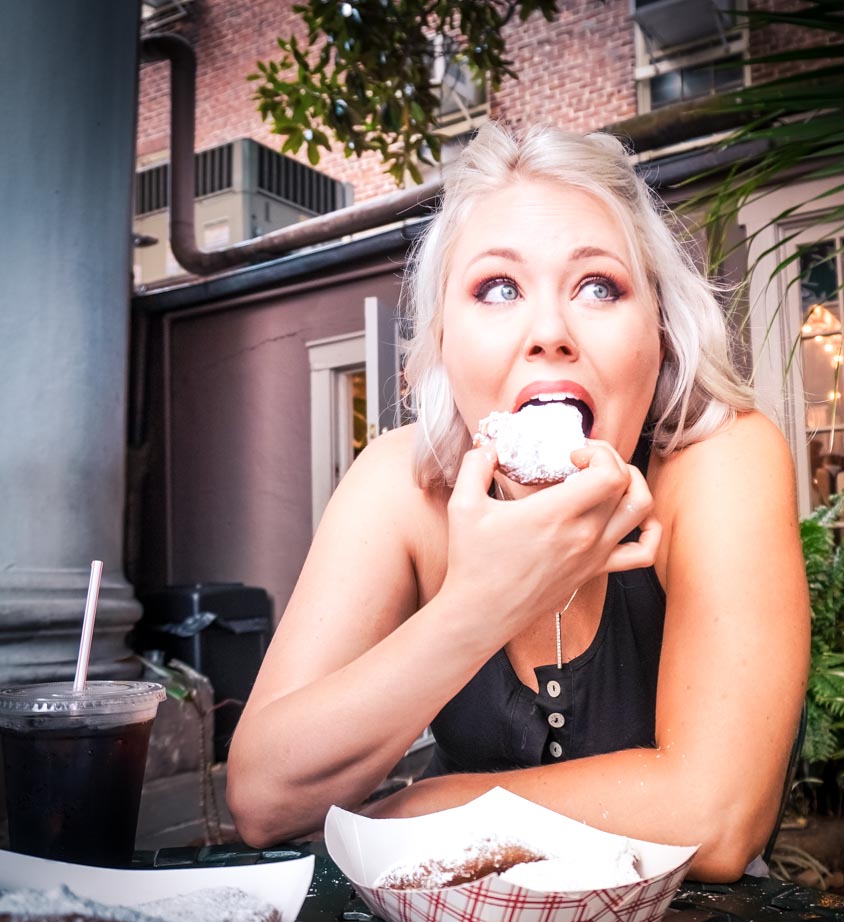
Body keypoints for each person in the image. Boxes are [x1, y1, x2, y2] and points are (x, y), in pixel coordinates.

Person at [226, 123, 810, 882]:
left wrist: (418, 809)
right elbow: (265, 800)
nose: (548, 332)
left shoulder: (721, 460)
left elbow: (717, 819)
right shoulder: (399, 485)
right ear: (441, 344)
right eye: (497, 289)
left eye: (599, 286)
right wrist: (483, 602)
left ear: (661, 333)